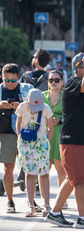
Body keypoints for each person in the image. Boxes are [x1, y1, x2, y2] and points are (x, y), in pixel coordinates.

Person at [44, 52, 84, 228]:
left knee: (74, 178)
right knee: (79, 179)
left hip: (83, 139)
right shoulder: (73, 82)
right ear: (79, 68)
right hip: (74, 140)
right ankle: (83, 218)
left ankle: (55, 213)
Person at [0, 63, 34, 213]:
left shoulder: (26, 89)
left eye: (13, 80)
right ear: (2, 77)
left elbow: (36, 106)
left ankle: (31, 201)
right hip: (5, 133)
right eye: (7, 80)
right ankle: (10, 201)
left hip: (24, 132)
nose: (10, 83)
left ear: (18, 78)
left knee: (28, 167)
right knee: (8, 167)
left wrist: (19, 106)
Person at [15, 89, 53, 217]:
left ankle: (46, 204)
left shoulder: (46, 108)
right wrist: (20, 139)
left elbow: (50, 127)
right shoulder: (21, 107)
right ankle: (31, 205)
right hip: (26, 144)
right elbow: (18, 123)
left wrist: (45, 142)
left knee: (44, 174)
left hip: (41, 144)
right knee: (29, 174)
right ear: (27, 101)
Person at [42, 70, 68, 209]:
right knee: (44, 169)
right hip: (43, 135)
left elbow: (71, 116)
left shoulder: (66, 97)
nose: (54, 82)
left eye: (57, 80)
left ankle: (61, 200)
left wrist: (61, 120)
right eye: (51, 80)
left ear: (62, 82)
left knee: (60, 168)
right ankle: (44, 201)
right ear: (48, 82)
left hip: (59, 134)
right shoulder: (41, 96)